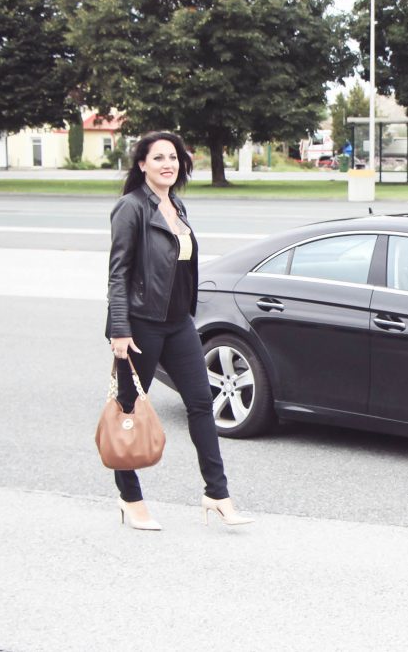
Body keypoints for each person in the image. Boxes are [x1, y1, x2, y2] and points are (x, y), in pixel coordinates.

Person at [106, 130, 253, 530]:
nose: (167, 164)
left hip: (178, 324)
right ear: (142, 165)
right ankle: (130, 498)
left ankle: (217, 493)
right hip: (139, 326)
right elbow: (118, 274)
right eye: (158, 158)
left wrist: (188, 315)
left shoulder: (178, 205)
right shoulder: (131, 208)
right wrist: (119, 329)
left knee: (202, 405)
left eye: (173, 157)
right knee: (130, 411)